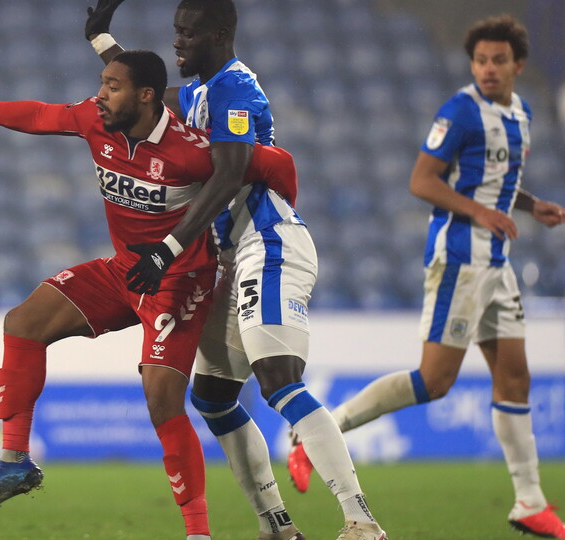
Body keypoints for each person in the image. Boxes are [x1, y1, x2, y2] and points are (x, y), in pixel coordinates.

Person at [0, 49, 305, 540]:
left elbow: (275, 163)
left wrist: (284, 221)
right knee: (23, 323)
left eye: (111, 86)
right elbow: (37, 115)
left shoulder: (192, 151)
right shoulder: (96, 122)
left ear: (145, 97)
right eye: (101, 83)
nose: (99, 95)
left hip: (179, 284)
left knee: (162, 399)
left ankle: (198, 533)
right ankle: (15, 462)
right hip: (124, 270)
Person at [85, 2, 387, 540]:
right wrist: (101, 41)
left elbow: (228, 176)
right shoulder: (201, 91)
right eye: (175, 32)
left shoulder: (234, 89)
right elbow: (144, 93)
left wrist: (170, 248)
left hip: (268, 243)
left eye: (189, 34)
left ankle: (360, 521)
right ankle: (277, 526)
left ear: (220, 35)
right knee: (213, 396)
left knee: (278, 378)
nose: (178, 42)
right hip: (233, 255)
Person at [286, 14, 565, 540]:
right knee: (434, 381)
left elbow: (493, 182)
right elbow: (422, 180)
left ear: (518, 65)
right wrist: (480, 213)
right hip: (460, 258)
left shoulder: (520, 113)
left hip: (498, 262)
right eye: (480, 60)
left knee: (514, 376)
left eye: (498, 60)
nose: (488, 69)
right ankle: (317, 436)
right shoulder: (461, 112)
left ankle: (530, 502)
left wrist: (531, 205)